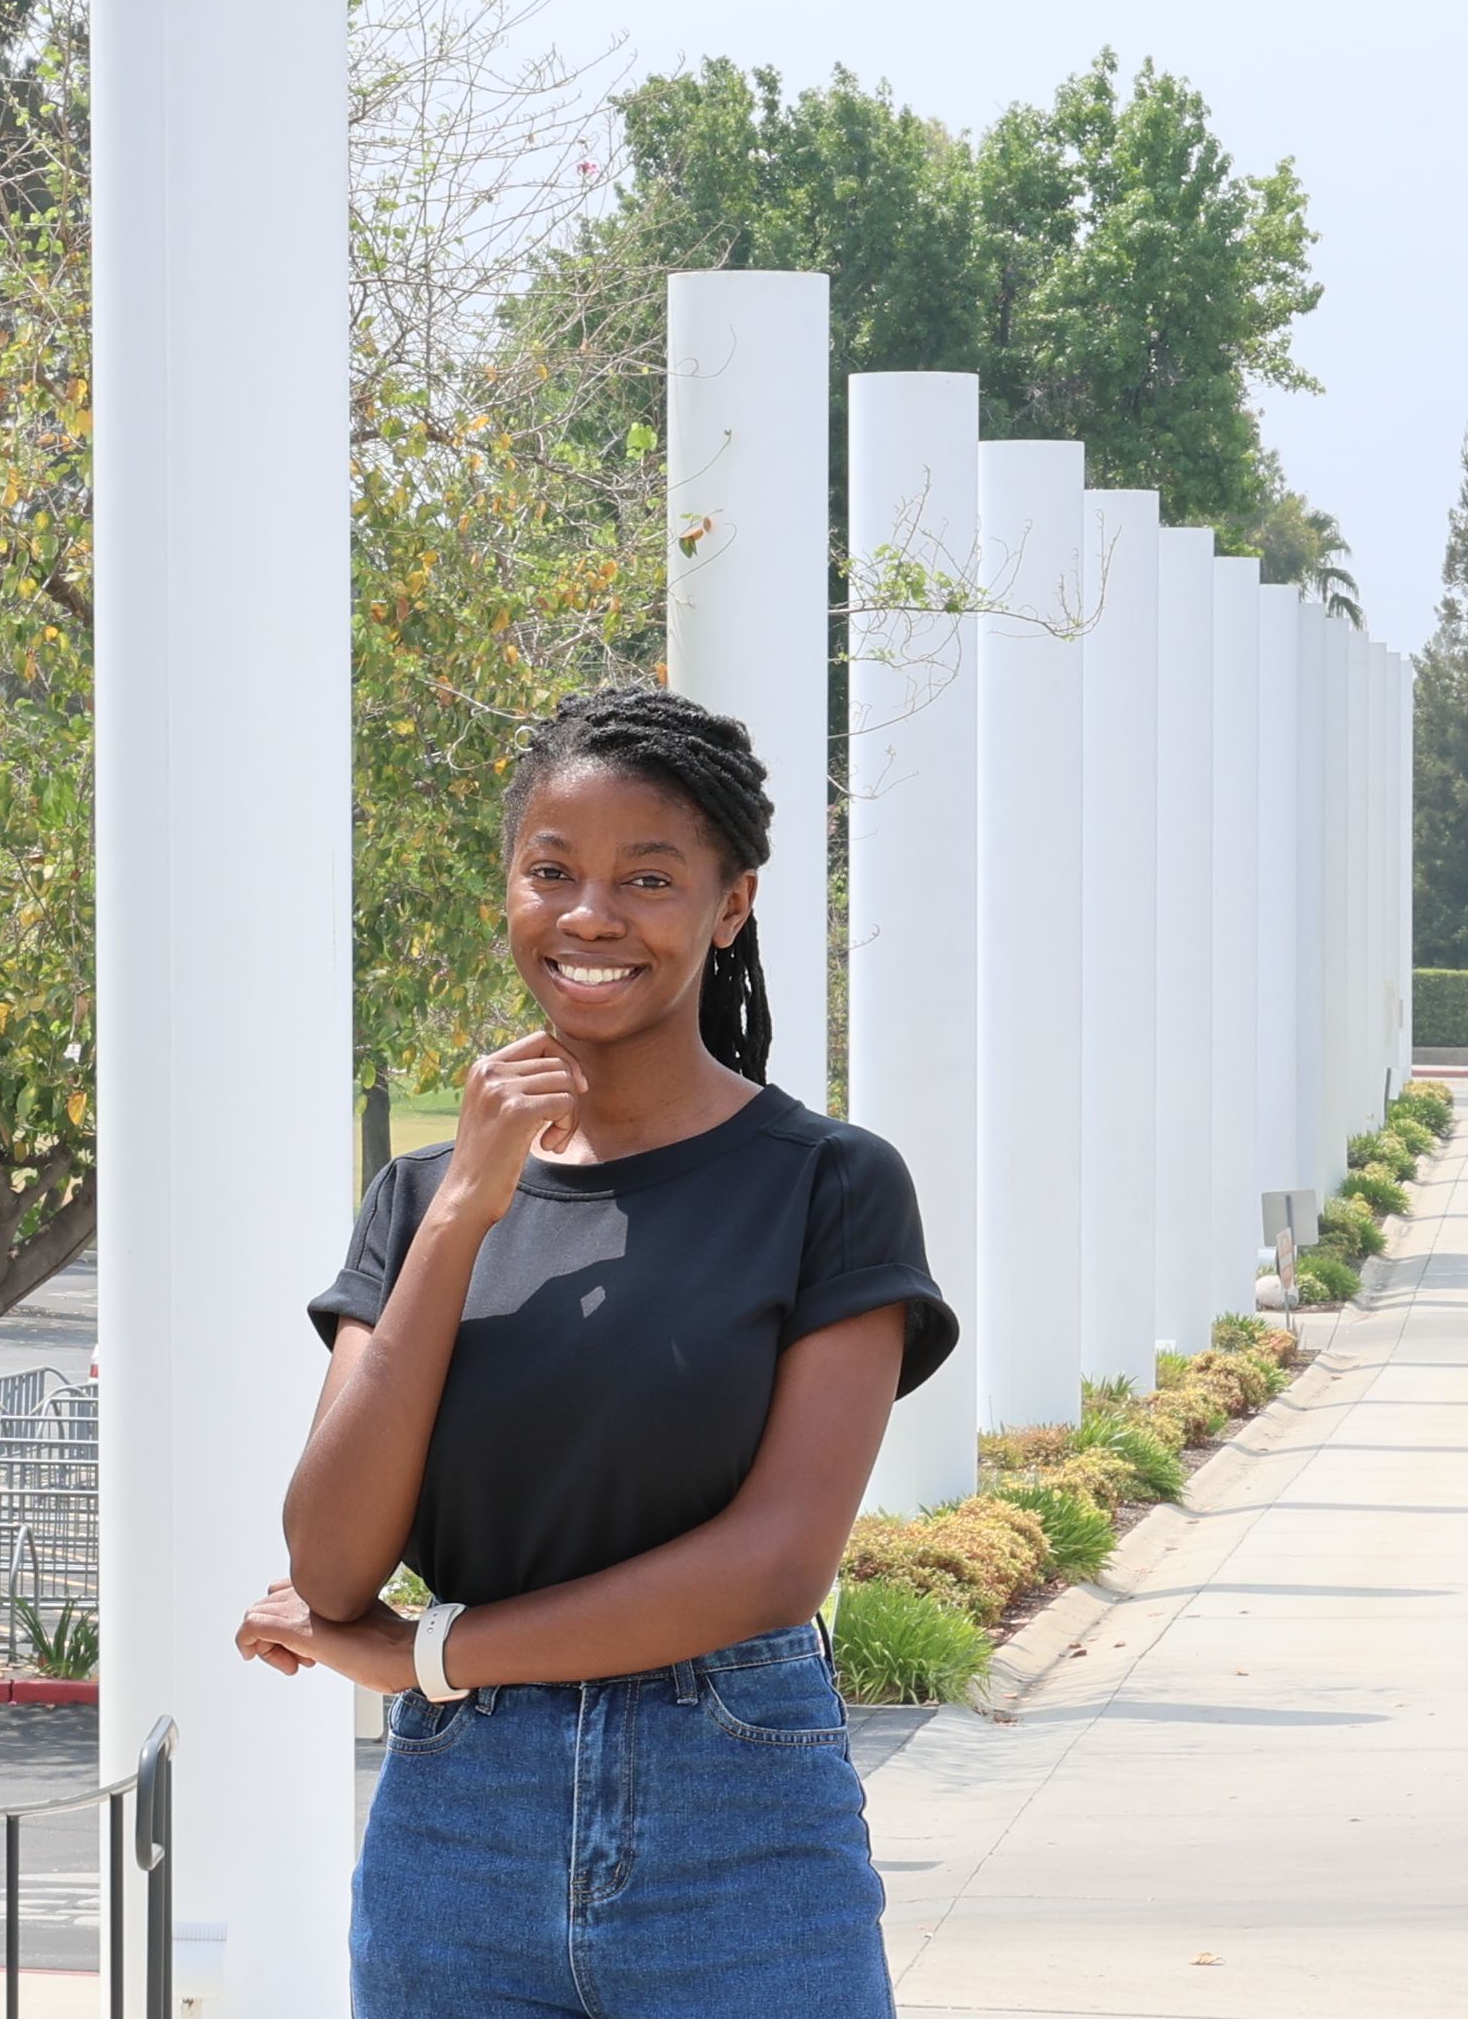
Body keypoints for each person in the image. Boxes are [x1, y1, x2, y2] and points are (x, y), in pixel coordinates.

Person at [235, 685, 958, 2018]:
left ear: (729, 904)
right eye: (551, 870)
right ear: (507, 889)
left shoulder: (827, 1186)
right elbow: (330, 1563)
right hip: (454, 1842)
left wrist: (429, 1652)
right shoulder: (415, 1199)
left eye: (647, 876)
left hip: (735, 1828)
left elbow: (774, 1563)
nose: (588, 913)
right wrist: (463, 1210)